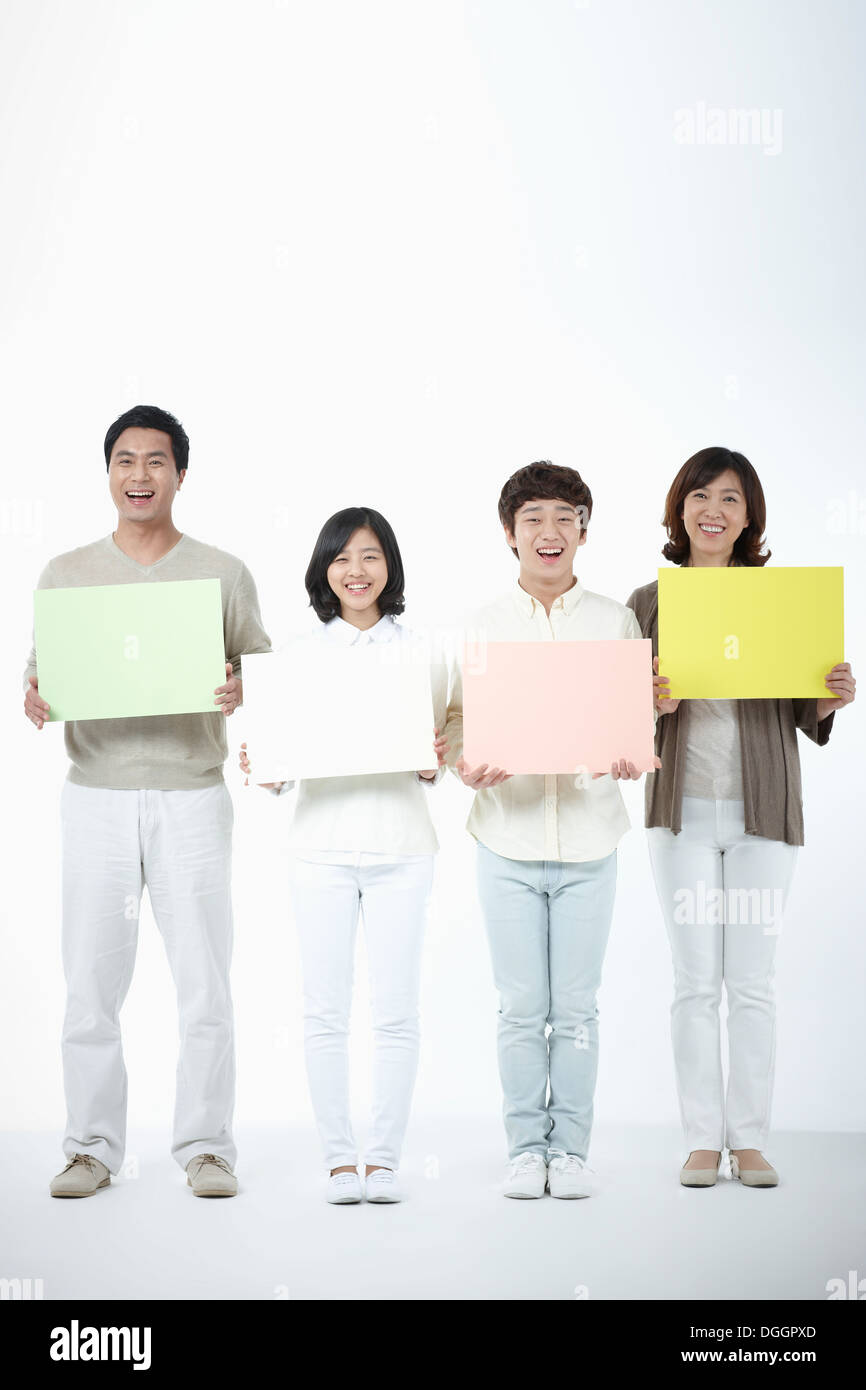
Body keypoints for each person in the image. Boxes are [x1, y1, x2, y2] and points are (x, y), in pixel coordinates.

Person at [24, 404, 271, 1199]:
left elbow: (266, 677)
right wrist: (35, 695)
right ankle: (91, 1147)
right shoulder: (66, 572)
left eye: (156, 462)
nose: (140, 475)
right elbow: (41, 674)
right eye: (125, 461)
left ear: (181, 475)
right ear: (108, 474)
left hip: (191, 795)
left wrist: (244, 688)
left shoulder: (222, 571)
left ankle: (207, 1147)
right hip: (95, 795)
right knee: (90, 985)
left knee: (205, 981)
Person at [626, 446, 855, 1188]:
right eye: (699, 496)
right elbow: (618, 721)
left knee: (751, 982)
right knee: (694, 981)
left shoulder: (778, 598)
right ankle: (701, 1137)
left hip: (761, 814)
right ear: (679, 509)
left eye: (729, 497)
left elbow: (800, 711)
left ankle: (750, 1138)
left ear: (749, 513)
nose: (713, 510)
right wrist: (648, 706)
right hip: (680, 813)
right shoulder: (645, 603)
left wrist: (828, 696)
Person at [443, 461, 657, 1200]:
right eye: (533, 517)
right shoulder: (481, 624)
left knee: (577, 1005)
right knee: (520, 1005)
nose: (550, 531)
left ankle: (569, 1149)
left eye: (566, 516)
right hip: (505, 836)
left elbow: (633, 715)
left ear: (584, 532)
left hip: (593, 838)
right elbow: (452, 726)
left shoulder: (614, 620)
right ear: (510, 534)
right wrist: (464, 766)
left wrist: (634, 748)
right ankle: (522, 1147)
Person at [240, 507, 447, 1205]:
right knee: (325, 1011)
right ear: (324, 571)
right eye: (341, 559)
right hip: (320, 849)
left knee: (396, 1012)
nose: (355, 572)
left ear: (390, 567)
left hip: (402, 846)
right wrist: (263, 765)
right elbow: (279, 768)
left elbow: (442, 745)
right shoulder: (296, 658)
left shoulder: (421, 652)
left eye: (370, 557)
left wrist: (433, 762)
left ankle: (384, 1159)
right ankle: (338, 1159)